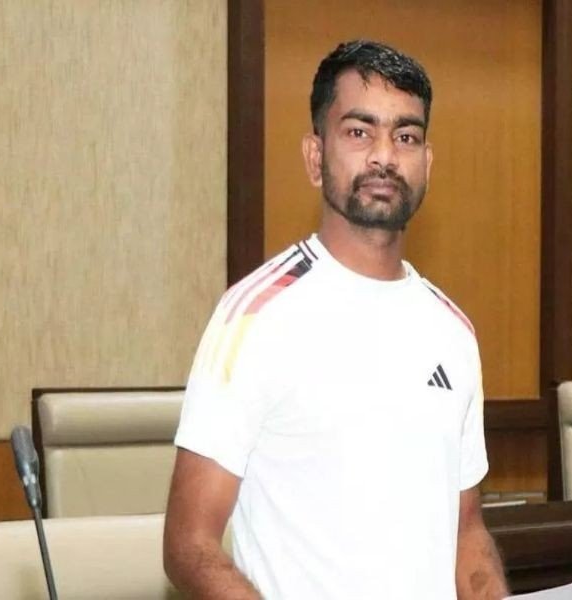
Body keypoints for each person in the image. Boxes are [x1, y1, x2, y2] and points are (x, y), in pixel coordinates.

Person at [163, 40, 509, 600]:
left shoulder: (454, 332)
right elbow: (189, 545)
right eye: (358, 132)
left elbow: (466, 532)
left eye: (406, 136)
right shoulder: (254, 317)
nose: (384, 157)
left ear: (427, 163)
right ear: (314, 156)